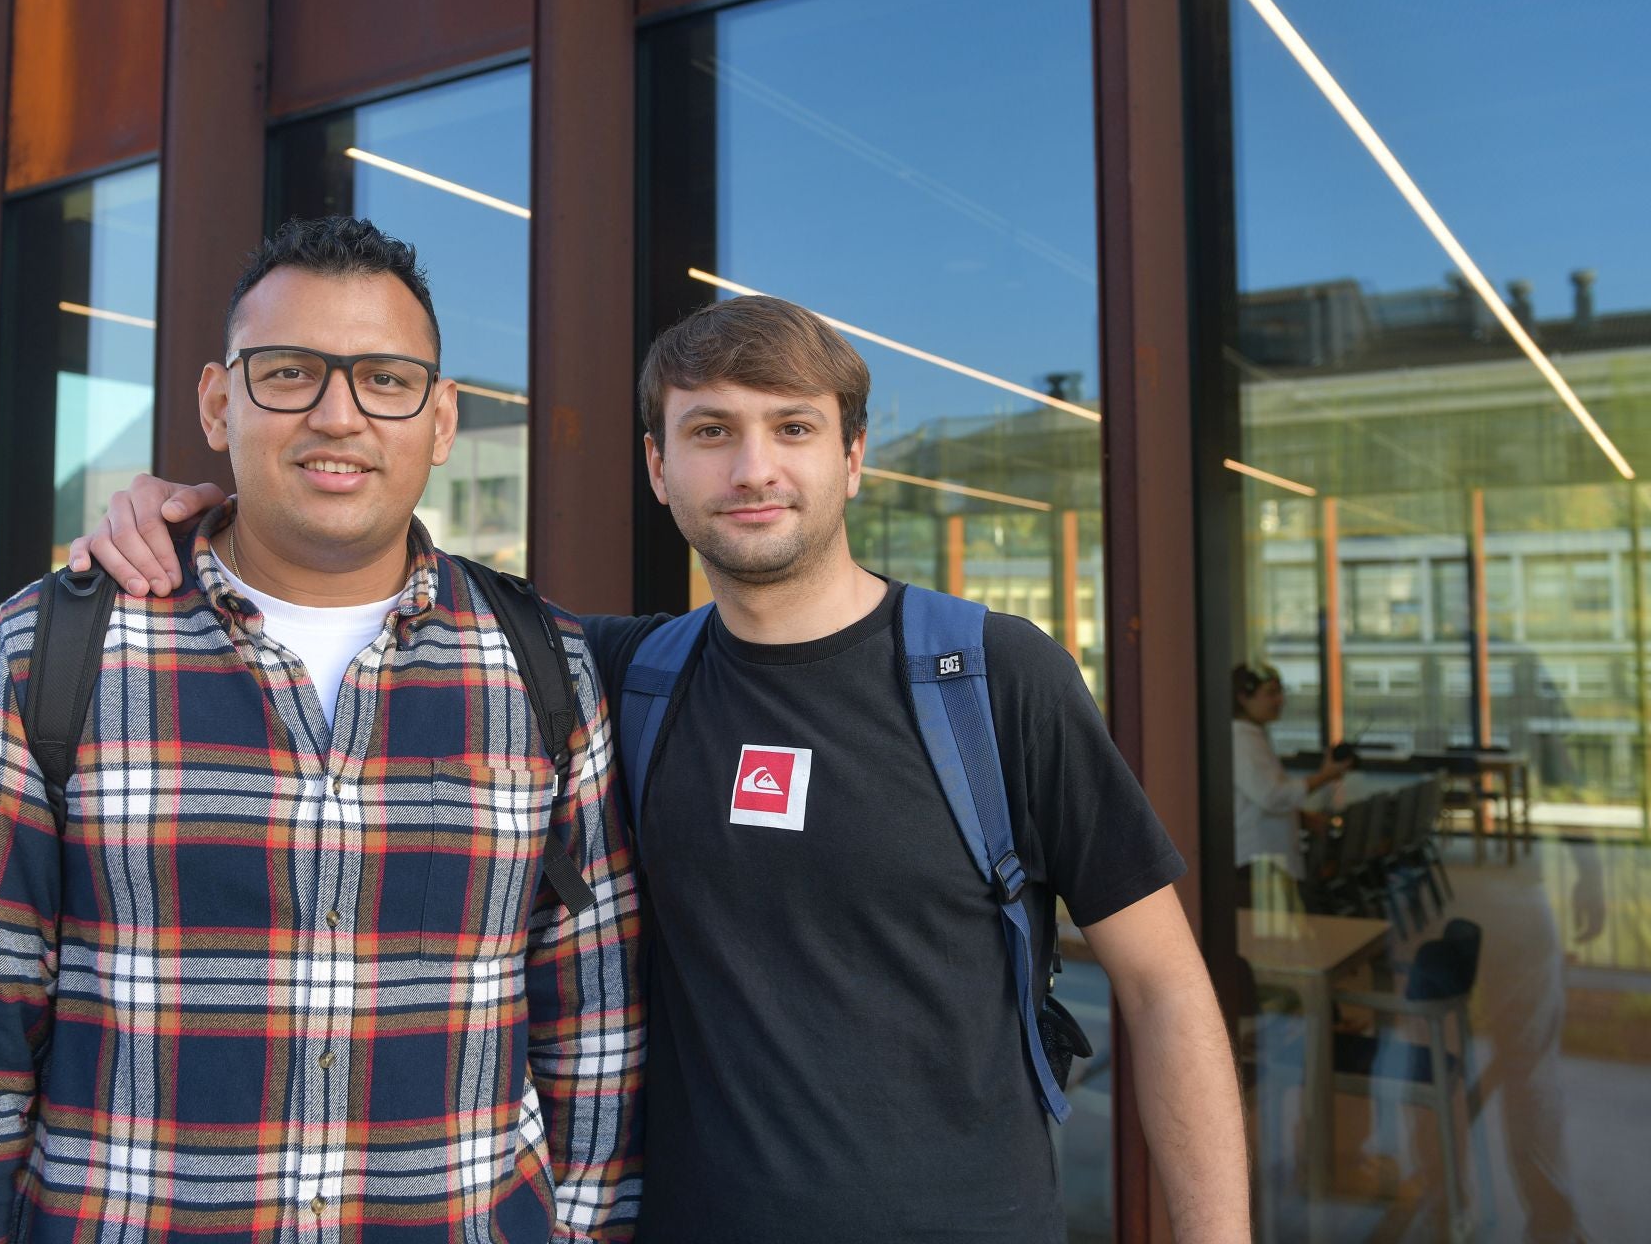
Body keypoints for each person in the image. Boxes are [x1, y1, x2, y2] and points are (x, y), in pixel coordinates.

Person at [76, 294, 1251, 1242]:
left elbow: (1163, 989)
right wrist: (201, 511)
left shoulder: (991, 678)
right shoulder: (607, 675)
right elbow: (378, 572)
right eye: (710, 430)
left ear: (853, 456)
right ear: (657, 466)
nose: (754, 466)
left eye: (792, 428)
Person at [0, 217, 642, 1243]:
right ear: (219, 401)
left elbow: (594, 1015)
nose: (337, 414)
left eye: (386, 380)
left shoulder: (546, 667)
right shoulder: (52, 647)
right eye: (288, 372)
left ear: (441, 420)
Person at [1231, 661, 1349, 908]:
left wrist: (1302, 817)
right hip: (1259, 859)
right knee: (1268, 942)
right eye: (1271, 693)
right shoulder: (1240, 739)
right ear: (1243, 697)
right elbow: (1272, 796)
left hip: (1269, 857)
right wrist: (1324, 776)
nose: (1280, 700)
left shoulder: (1252, 736)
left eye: (1280, 692)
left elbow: (1261, 797)